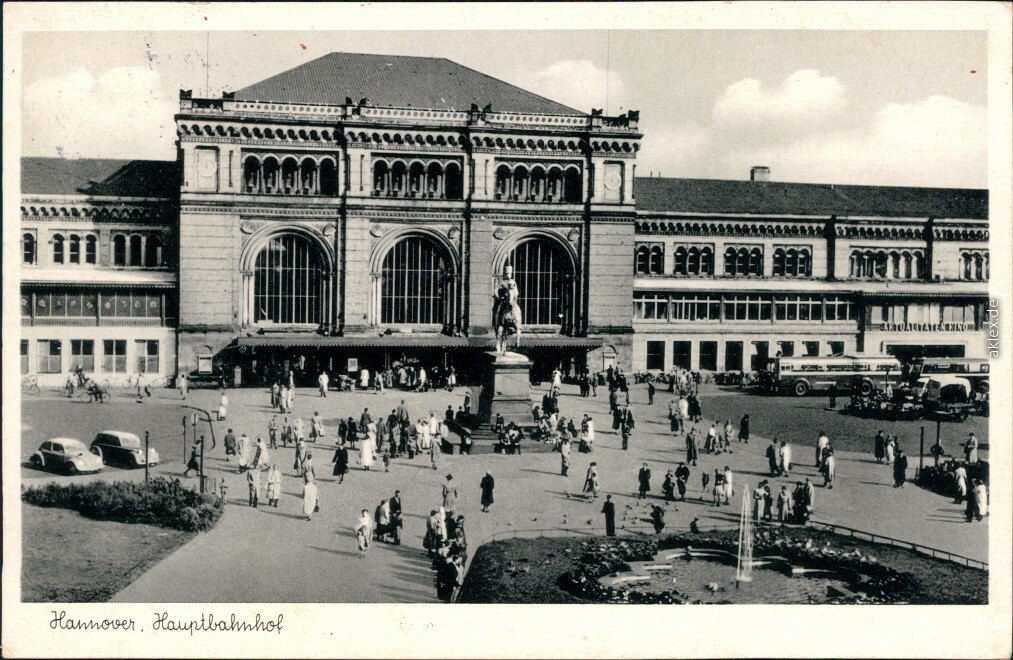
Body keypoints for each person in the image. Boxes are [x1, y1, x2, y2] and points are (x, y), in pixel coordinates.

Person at [302, 456, 318, 521]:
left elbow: (304, 470)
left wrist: (303, 474)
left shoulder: (306, 463)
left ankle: (306, 492)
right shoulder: (312, 463)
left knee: (307, 484)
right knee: (311, 484)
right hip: (311, 474)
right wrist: (314, 474)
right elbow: (313, 469)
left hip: (306, 474)